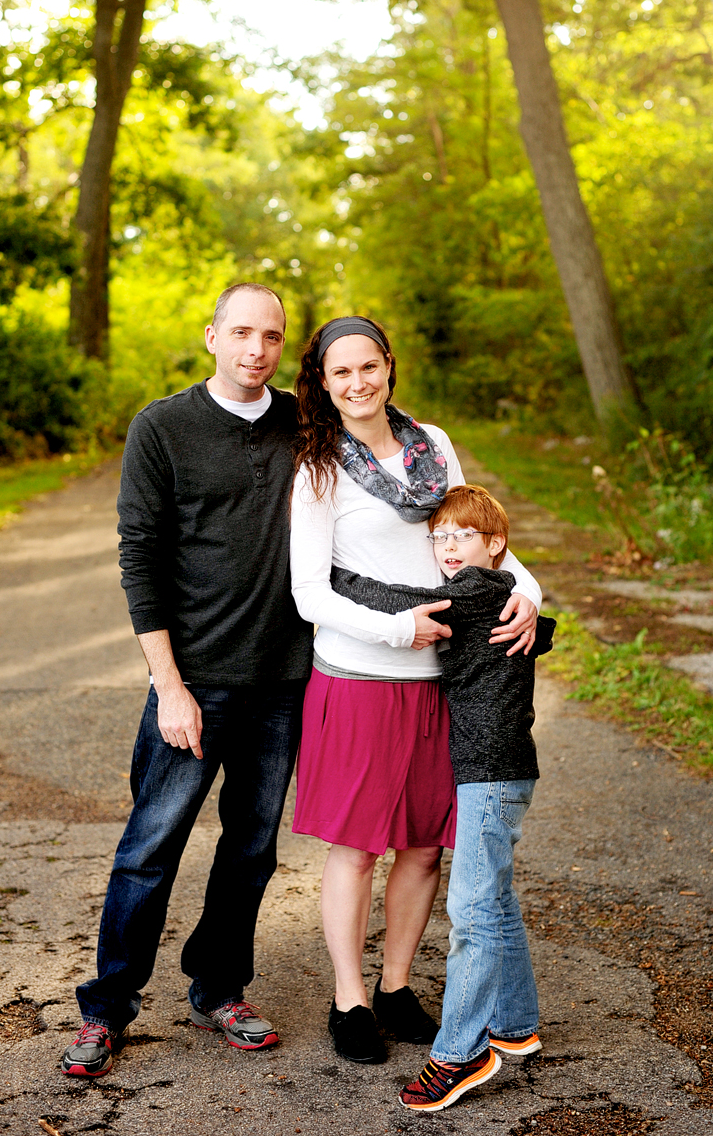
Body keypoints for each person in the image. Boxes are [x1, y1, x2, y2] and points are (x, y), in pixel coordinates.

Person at [61, 283, 313, 1078]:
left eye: (271, 336)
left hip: (283, 681)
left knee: (253, 848)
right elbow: (140, 560)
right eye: (241, 332)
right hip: (194, 682)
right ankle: (107, 1009)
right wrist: (169, 686)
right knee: (150, 848)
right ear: (211, 335)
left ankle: (219, 988)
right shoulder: (162, 427)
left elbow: (397, 486)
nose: (256, 349)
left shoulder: (306, 426)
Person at [289, 316, 541, 1065]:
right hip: (362, 677)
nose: (358, 383)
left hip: (442, 683)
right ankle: (349, 1000)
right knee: (358, 849)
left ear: (389, 367)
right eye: (342, 373)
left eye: (369, 367)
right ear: (324, 383)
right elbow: (309, 592)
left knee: (426, 849)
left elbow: (473, 531)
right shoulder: (318, 467)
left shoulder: (432, 443)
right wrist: (400, 630)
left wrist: (526, 589)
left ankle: (396, 987)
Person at [331, 484, 554, 1111]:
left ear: (496, 546)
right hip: (502, 769)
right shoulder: (501, 596)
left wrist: (335, 579)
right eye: (439, 538)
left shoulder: (473, 594)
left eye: (462, 538)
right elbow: (548, 629)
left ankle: (460, 1053)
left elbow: (398, 601)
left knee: (474, 911)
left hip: (488, 771)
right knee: (495, 898)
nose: (447, 548)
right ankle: (515, 1025)